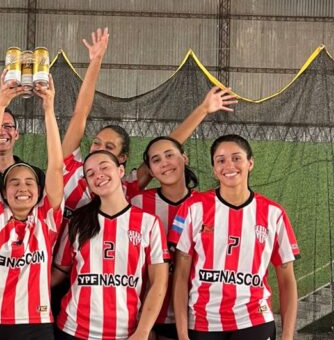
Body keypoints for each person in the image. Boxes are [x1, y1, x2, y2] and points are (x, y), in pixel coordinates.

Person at [60, 27, 237, 216]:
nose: (99, 148)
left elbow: (168, 145)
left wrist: (203, 110)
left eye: (109, 146)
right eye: (97, 143)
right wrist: (95, 61)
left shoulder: (127, 186)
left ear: (122, 159)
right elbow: (80, 114)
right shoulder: (70, 165)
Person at [172, 134, 304, 340]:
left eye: (236, 158)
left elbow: (287, 281)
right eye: (220, 160)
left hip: (253, 318)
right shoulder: (194, 208)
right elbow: (180, 277)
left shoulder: (273, 214)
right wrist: (182, 336)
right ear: (214, 169)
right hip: (203, 320)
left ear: (250, 163)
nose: (229, 166)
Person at [0, 73, 63, 340]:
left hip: (35, 325)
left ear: (39, 192)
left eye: (30, 182)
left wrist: (49, 108)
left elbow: (56, 166)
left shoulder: (46, 220)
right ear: (3, 192)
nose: (23, 187)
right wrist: (1, 102)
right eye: (14, 182)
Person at [53, 151, 168, 340]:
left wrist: (142, 333)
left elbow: (159, 282)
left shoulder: (148, 223)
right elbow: (58, 273)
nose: (98, 174)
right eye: (90, 173)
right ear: (88, 184)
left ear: (121, 171)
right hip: (73, 333)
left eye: (104, 167)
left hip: (126, 337)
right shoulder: (77, 223)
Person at [130, 136, 201, 340]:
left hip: (190, 315)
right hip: (143, 314)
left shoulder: (204, 204)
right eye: (156, 160)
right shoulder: (138, 203)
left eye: (170, 155)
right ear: (151, 171)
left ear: (184, 158)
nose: (164, 163)